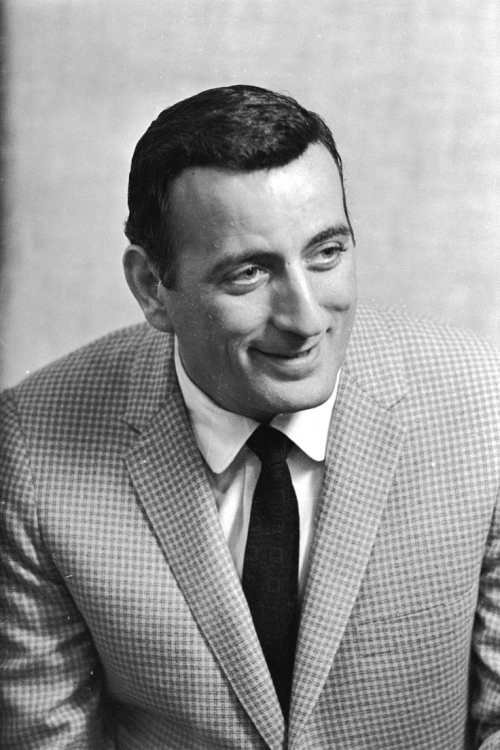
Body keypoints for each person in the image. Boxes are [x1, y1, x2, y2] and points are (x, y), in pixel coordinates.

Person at [1, 84, 499, 750]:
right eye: (248, 273)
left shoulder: (483, 402)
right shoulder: (30, 446)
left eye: (326, 253)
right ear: (152, 287)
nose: (306, 318)